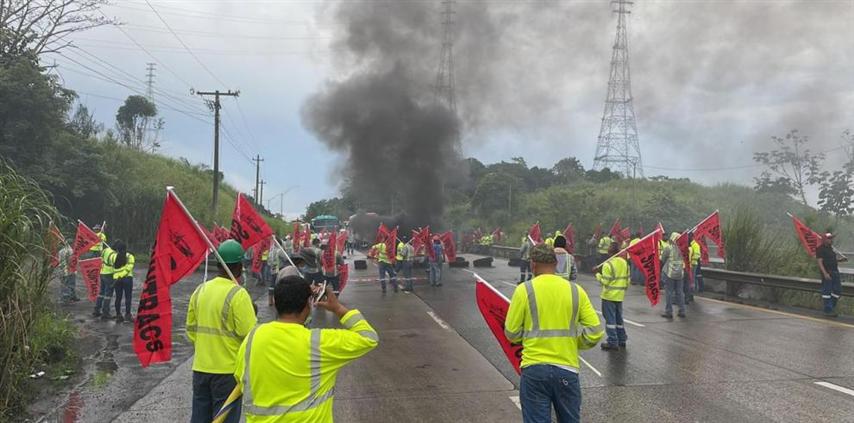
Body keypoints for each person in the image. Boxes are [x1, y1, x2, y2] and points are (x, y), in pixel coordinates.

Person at [235, 275, 378, 422]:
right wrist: (338, 308)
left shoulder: (252, 337)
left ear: (276, 302)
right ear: (308, 306)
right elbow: (368, 337)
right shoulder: (320, 343)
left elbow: (240, 378)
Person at [505, 244, 603, 423]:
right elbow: (595, 331)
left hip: (534, 370)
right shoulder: (576, 291)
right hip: (567, 369)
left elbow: (511, 333)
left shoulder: (524, 290)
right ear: (556, 263)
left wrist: (528, 338)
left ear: (533, 264)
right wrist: (576, 343)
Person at [187, 240, 258, 423]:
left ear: (218, 264)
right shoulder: (238, 294)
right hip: (227, 372)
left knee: (199, 419)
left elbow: (190, 331)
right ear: (240, 266)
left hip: (200, 369)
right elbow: (250, 334)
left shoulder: (200, 290)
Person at [596, 243, 629, 351]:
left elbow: (605, 282)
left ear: (610, 253)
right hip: (620, 296)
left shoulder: (607, 264)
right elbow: (627, 280)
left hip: (609, 296)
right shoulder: (625, 263)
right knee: (619, 319)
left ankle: (612, 341)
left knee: (610, 319)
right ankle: (622, 339)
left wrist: (598, 275)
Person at [816, 233, 848, 317]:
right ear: (824, 240)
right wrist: (825, 273)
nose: (831, 240)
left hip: (835, 272)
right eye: (829, 238)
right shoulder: (820, 249)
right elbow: (820, 263)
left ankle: (831, 307)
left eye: (831, 238)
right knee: (827, 291)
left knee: (838, 290)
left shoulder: (831, 249)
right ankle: (828, 310)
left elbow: (832, 260)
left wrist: (841, 260)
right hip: (828, 272)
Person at [660, 233, 686, 319]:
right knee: (680, 293)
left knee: (669, 292)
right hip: (680, 274)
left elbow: (663, 259)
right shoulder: (683, 249)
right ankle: (682, 310)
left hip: (669, 274)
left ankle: (669, 312)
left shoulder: (668, 248)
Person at [111, 241, 135, 323]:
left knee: (118, 297)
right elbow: (129, 267)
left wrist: (118, 276)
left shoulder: (113, 256)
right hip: (127, 278)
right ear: (126, 248)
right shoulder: (130, 256)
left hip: (116, 279)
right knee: (128, 297)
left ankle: (118, 315)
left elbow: (111, 267)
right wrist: (123, 275)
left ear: (117, 249)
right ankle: (128, 315)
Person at [93, 244, 117, 319]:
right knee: (108, 294)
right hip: (109, 274)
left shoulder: (105, 250)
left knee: (101, 293)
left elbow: (101, 258)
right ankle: (105, 312)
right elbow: (115, 265)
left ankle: (96, 310)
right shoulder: (114, 254)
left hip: (102, 272)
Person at [685, 232, 702, 302]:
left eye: (688, 237)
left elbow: (697, 255)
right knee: (689, 280)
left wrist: (691, 260)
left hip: (693, 264)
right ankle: (689, 294)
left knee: (691, 280)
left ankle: (691, 294)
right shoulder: (690, 245)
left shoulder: (695, 245)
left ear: (692, 237)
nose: (687, 238)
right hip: (689, 265)